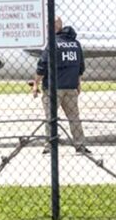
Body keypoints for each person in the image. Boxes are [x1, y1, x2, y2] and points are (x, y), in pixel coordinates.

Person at [32, 16, 90, 154]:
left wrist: (36, 83)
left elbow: (42, 66)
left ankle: (50, 145)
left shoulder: (53, 44)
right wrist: (78, 83)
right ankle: (80, 145)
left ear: (54, 27)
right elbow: (80, 67)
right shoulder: (76, 44)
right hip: (71, 87)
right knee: (74, 117)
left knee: (50, 118)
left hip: (53, 88)